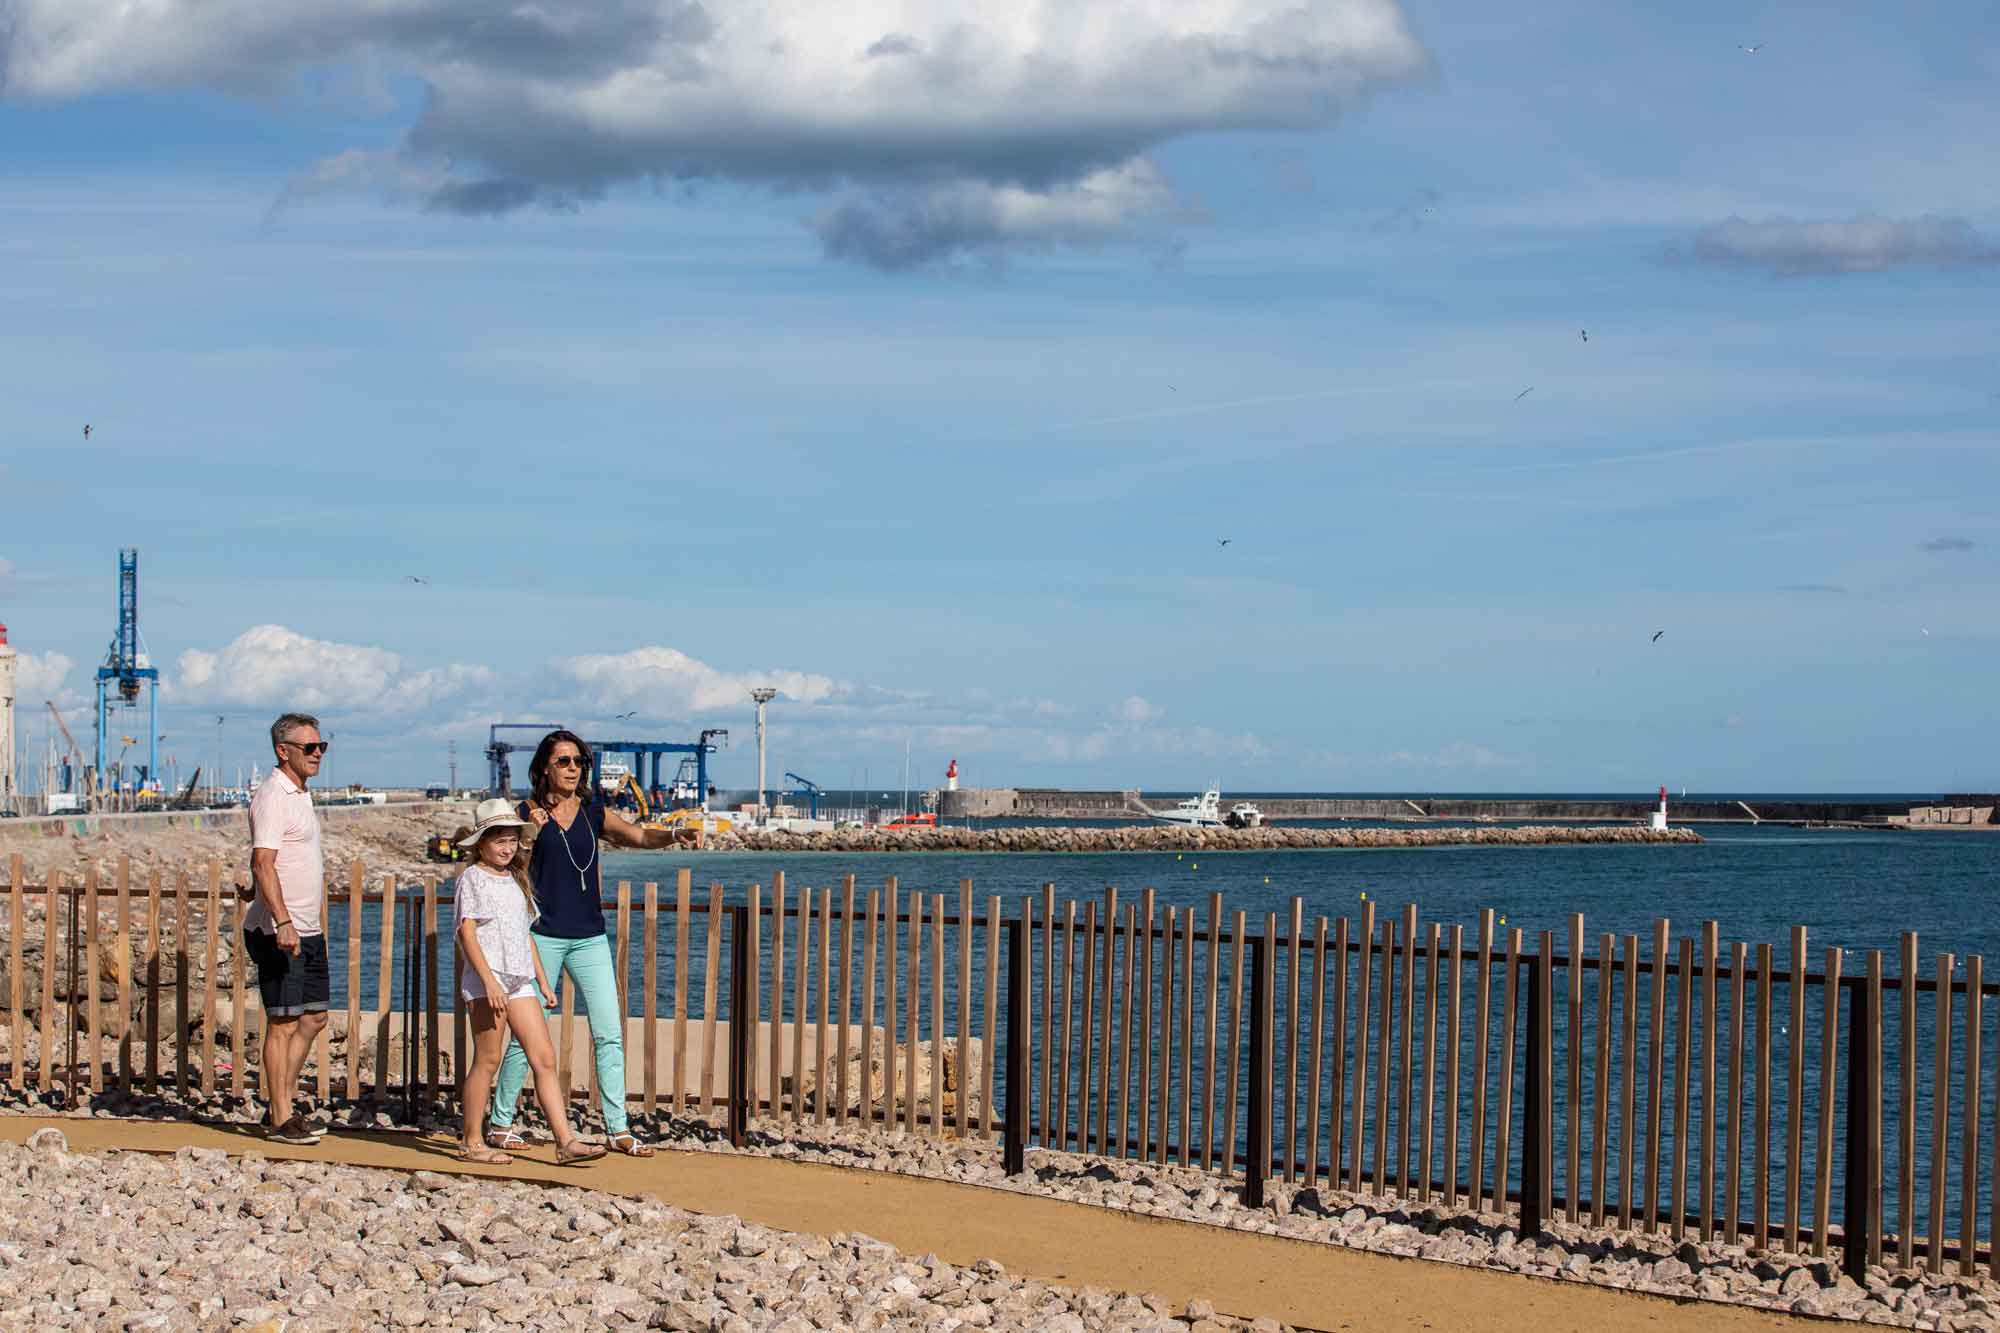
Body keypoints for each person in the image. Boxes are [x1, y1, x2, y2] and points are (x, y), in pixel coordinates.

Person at [486, 729, 681, 1155]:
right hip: (541, 939)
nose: (573, 768)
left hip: (590, 936)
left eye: (578, 762)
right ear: (544, 768)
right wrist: (530, 833)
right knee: (526, 1036)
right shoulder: (525, 812)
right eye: (564, 761)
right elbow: (509, 865)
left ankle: (618, 1128)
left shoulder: (593, 810)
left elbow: (639, 836)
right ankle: (499, 1122)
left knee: (609, 1032)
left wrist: (672, 836)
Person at [452, 800, 604, 1166]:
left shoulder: (516, 879)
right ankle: (472, 1141)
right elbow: (466, 931)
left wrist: (543, 982)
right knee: (487, 1060)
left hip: (519, 981)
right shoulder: (472, 878)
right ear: (481, 843)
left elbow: (526, 936)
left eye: (512, 840)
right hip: (488, 980)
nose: (506, 848)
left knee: (544, 1057)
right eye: (499, 841)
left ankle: (565, 1141)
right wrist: (488, 982)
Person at [243, 712, 331, 1145]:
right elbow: (263, 859)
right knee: (282, 1022)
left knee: (314, 1017)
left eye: (321, 747)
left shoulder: (301, 793)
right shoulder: (273, 794)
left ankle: (283, 1101)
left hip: (307, 927)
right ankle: (280, 1119)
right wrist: (281, 920)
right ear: (284, 751)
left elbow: (266, 859)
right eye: (309, 747)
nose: (318, 754)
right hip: (281, 930)